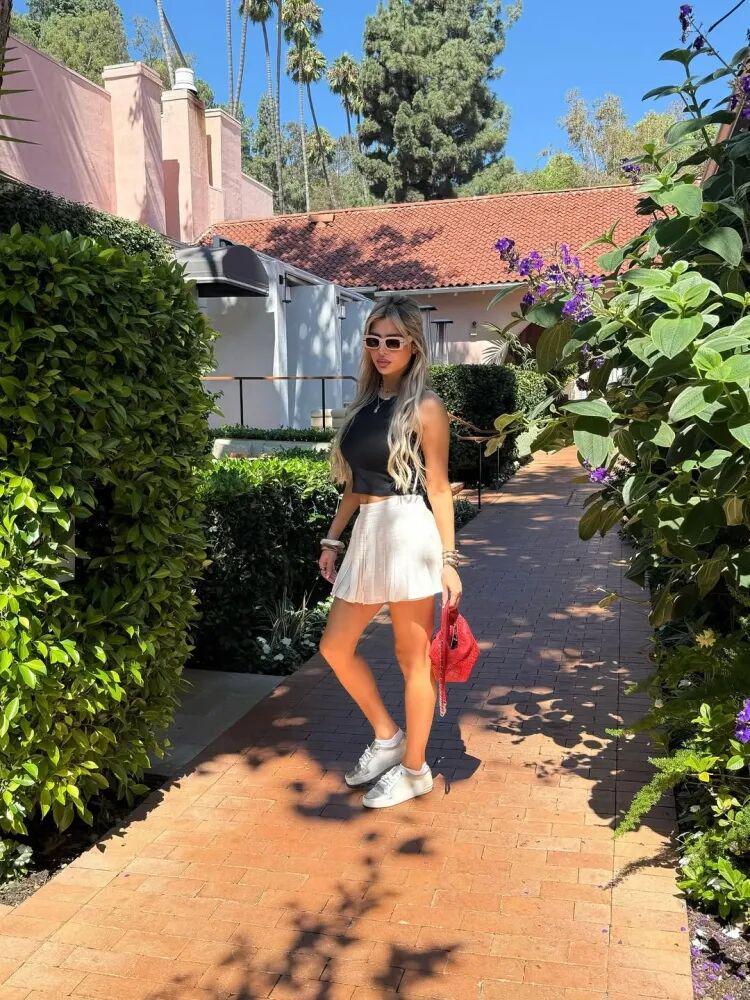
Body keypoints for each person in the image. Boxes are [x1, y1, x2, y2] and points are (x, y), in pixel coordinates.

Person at [317, 293, 462, 809]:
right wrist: (333, 538)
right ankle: (387, 736)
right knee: (335, 646)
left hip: (408, 531)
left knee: (412, 659)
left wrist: (449, 561)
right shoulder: (365, 404)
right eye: (373, 341)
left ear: (413, 346)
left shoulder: (426, 407)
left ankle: (416, 769)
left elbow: (439, 487)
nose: (382, 351)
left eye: (393, 342)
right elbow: (356, 485)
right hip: (369, 531)